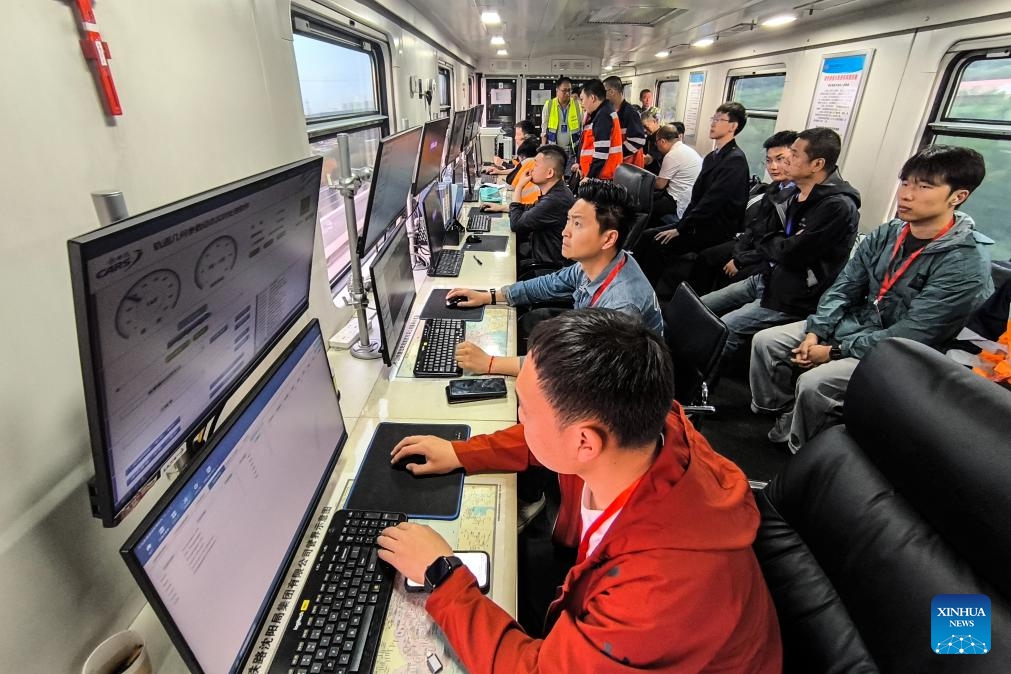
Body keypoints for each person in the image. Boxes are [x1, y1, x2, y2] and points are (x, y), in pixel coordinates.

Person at [378, 309, 783, 673]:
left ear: (585, 443)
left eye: (526, 409)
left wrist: (443, 575)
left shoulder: (655, 593)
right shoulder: (649, 433)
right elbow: (547, 440)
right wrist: (461, 452)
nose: (519, 417)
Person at [750, 145, 993, 453]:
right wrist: (816, 330)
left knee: (816, 383)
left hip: (905, 352)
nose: (906, 194)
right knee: (767, 342)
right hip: (855, 326)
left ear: (958, 197)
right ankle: (782, 409)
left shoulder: (965, 262)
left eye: (924, 187)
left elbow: (914, 333)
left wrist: (833, 351)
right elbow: (845, 286)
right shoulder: (890, 233)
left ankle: (805, 449)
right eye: (905, 183)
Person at [448, 179, 662, 377]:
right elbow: (549, 284)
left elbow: (577, 366)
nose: (564, 232)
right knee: (532, 324)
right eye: (568, 221)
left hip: (614, 388)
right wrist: (489, 296)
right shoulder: (601, 262)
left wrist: (490, 363)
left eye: (577, 224)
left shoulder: (622, 306)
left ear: (608, 239)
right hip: (591, 344)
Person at [700, 127, 861, 365]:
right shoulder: (795, 193)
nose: (786, 161)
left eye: (794, 155)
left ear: (816, 164)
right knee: (701, 307)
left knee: (726, 329)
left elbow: (792, 253)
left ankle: (700, 383)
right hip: (767, 278)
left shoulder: (837, 207)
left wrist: (777, 242)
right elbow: (770, 235)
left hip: (793, 296)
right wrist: (779, 242)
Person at [638, 102, 750, 284]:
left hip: (715, 228)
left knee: (655, 241)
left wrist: (681, 229)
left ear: (733, 126)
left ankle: (652, 292)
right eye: (713, 119)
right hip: (698, 222)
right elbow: (697, 196)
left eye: (719, 120)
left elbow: (712, 202)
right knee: (647, 236)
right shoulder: (713, 156)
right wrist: (682, 224)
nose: (713, 123)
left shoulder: (734, 161)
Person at [696, 130, 799, 293]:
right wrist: (739, 253)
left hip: (768, 257)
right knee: (707, 257)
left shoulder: (799, 197)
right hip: (752, 246)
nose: (773, 167)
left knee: (731, 276)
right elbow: (755, 226)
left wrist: (740, 260)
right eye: (769, 160)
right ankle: (696, 303)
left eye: (780, 159)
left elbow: (780, 245)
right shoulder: (773, 189)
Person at [487, 144, 574, 267]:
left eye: (536, 165)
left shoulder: (554, 200)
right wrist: (500, 208)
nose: (532, 169)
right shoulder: (558, 191)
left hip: (546, 267)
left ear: (549, 173)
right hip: (541, 253)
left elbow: (516, 224)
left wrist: (519, 187)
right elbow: (531, 209)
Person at [649, 124, 702, 229]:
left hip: (678, 200)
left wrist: (644, 179)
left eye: (657, 142)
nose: (657, 146)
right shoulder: (687, 149)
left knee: (645, 208)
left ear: (662, 141)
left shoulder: (672, 155)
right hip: (691, 196)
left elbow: (660, 184)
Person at [573, 79, 622, 181]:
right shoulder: (598, 113)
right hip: (597, 175)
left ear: (592, 98)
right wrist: (580, 165)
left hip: (602, 177)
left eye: (582, 99)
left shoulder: (603, 116)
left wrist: (589, 177)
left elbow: (601, 153)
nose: (581, 104)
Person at [603, 76, 646, 167]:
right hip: (619, 165)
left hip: (630, 167)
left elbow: (637, 141)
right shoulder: (612, 112)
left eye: (604, 92)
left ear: (611, 92)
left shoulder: (630, 113)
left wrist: (616, 154)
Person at [540, 77, 582, 167]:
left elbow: (582, 128)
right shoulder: (549, 105)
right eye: (564, 90)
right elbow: (544, 129)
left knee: (569, 178)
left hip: (572, 151)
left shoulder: (577, 106)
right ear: (557, 90)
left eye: (569, 90)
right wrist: (543, 151)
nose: (567, 94)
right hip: (554, 150)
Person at [640, 107, 662, 174]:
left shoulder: (661, 137)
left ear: (654, 121)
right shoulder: (650, 136)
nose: (645, 129)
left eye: (646, 126)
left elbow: (648, 160)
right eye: (643, 127)